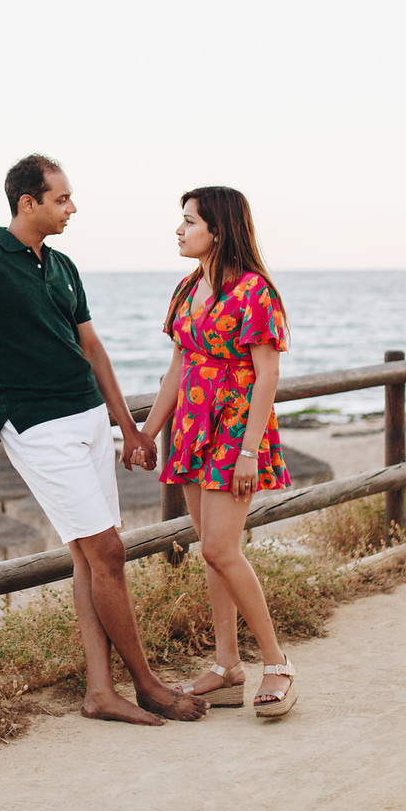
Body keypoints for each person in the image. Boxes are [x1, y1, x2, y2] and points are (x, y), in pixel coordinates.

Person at [0, 155, 207, 725]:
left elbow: (93, 349)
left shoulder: (64, 265)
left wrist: (129, 428)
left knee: (88, 556)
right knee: (110, 555)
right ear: (28, 202)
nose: (73, 208)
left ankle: (101, 691)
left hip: (90, 417)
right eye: (62, 199)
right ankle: (146, 685)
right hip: (36, 426)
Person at [138, 186, 298, 718]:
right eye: (181, 221)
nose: (179, 230)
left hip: (235, 430)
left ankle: (277, 664)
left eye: (189, 221)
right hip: (191, 427)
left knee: (221, 549)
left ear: (219, 229)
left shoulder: (255, 291)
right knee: (211, 547)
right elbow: (177, 372)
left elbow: (268, 375)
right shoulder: (187, 290)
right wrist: (146, 432)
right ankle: (228, 666)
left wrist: (249, 451)